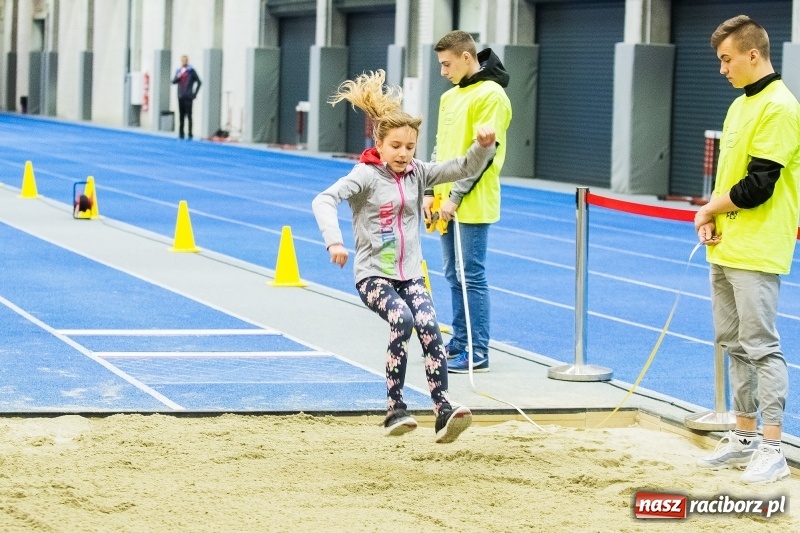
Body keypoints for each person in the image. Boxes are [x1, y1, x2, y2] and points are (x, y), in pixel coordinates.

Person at [311, 70, 497, 443]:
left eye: (410, 147)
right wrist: (334, 242)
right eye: (395, 146)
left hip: (410, 275)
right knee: (404, 320)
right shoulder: (364, 176)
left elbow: (462, 168)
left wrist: (482, 147)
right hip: (373, 276)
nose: (403, 154)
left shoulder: (418, 173)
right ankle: (394, 408)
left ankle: (443, 410)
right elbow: (324, 199)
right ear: (379, 144)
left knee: (429, 326)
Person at [694, 15, 800, 484]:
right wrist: (712, 217)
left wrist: (706, 208)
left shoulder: (780, 107)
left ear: (752, 55)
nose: (722, 69)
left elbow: (758, 185)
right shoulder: (740, 105)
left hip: (757, 248)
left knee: (761, 347)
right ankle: (743, 435)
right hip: (726, 245)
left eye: (727, 59)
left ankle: (773, 447)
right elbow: (729, 179)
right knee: (733, 344)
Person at [423, 31, 512, 373]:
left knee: (471, 275)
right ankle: (460, 341)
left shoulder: (491, 95)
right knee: (452, 275)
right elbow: (440, 147)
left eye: (447, 64)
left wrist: (456, 196)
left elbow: (485, 154)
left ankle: (479, 352)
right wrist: (429, 191)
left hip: (471, 201)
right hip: (444, 201)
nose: (443, 71)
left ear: (465, 57)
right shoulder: (449, 97)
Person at [172, 55, 202, 139]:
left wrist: (194, 94)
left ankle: (190, 133)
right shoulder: (179, 71)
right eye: (183, 61)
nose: (184, 62)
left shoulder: (191, 71)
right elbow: (173, 81)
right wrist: (178, 77)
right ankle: (181, 133)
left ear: (187, 61)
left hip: (188, 96)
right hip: (181, 96)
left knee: (189, 115)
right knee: (181, 115)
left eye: (185, 60)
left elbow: (199, 82)